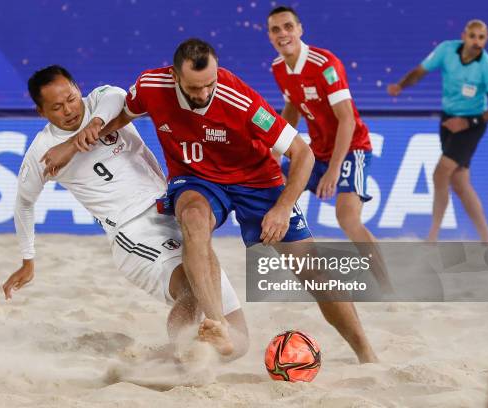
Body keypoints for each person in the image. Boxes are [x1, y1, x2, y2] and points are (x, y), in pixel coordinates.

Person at [42, 40, 378, 363]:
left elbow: (301, 154)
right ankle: (217, 325)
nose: (204, 94)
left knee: (314, 271)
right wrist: (73, 145)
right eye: (194, 88)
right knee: (192, 216)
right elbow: (121, 115)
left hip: (256, 181)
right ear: (175, 76)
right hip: (198, 179)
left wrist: (282, 208)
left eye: (210, 84)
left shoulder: (239, 99)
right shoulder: (151, 86)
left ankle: (366, 352)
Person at [1, 65, 249, 360]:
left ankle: (153, 357)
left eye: (70, 98)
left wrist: (77, 140)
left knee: (239, 343)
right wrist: (28, 259)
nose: (69, 109)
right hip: (133, 230)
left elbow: (118, 96)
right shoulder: (42, 151)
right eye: (56, 107)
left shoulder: (103, 99)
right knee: (192, 289)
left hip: (174, 212)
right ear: (42, 113)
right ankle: (181, 355)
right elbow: (24, 203)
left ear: (78, 88)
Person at [266, 6, 393, 294]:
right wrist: (276, 151)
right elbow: (292, 109)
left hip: (352, 148)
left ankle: (387, 287)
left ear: (300, 30)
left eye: (288, 27)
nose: (282, 34)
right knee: (270, 187)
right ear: (270, 36)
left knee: (347, 217)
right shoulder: (277, 67)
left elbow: (346, 119)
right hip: (317, 150)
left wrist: (333, 171)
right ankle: (301, 271)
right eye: (276, 29)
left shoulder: (325, 64)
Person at [388, 19, 488, 242]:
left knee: (441, 172)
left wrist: (467, 123)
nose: (477, 41)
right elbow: (420, 71)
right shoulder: (446, 50)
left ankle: (433, 238)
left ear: (486, 40)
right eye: (473, 36)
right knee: (460, 184)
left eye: (482, 37)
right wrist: (401, 85)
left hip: (471, 124)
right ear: (464, 36)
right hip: (448, 120)